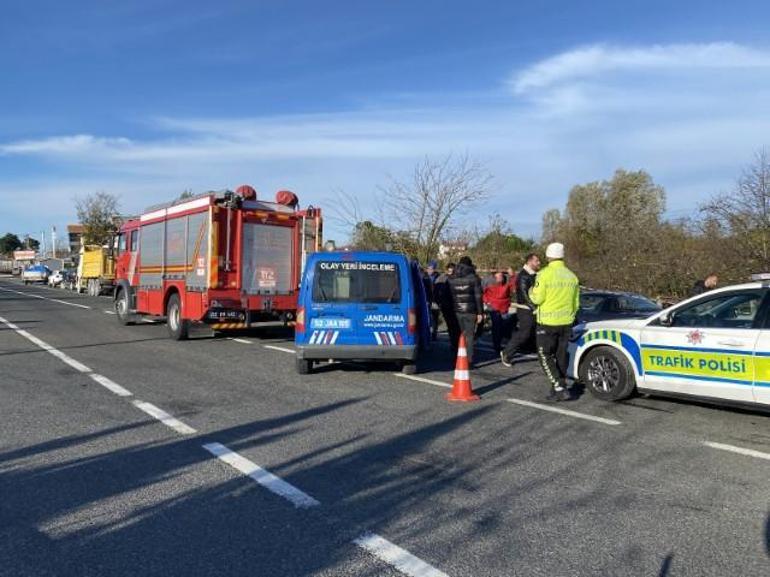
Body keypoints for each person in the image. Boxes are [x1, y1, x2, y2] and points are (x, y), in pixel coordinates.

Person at [529, 243, 579, 402]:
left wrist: (530, 290)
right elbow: (576, 303)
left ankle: (559, 385)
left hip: (547, 322)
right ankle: (557, 387)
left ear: (548, 256)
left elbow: (537, 298)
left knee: (544, 355)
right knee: (561, 355)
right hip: (566, 322)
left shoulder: (544, 274)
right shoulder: (572, 276)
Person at [501, 253, 541, 366]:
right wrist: (534, 308)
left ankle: (533, 350)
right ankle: (507, 353)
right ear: (529, 262)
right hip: (526, 309)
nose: (539, 263)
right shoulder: (524, 276)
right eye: (536, 261)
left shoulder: (534, 275)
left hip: (533, 308)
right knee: (524, 332)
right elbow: (525, 295)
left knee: (534, 332)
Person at [448, 256, 483, 364]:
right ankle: (468, 359)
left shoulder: (452, 278)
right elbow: (478, 296)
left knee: (459, 333)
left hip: (457, 310)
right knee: (469, 335)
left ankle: (458, 356)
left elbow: (451, 296)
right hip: (471, 310)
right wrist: (480, 312)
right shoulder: (474, 278)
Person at [483, 270, 513, 353]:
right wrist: (487, 302)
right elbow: (484, 293)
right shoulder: (490, 284)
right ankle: (497, 345)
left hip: (504, 306)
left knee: (504, 325)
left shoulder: (507, 283)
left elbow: (513, 287)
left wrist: (512, 275)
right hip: (494, 307)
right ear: (495, 278)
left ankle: (503, 341)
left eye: (502, 276)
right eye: (499, 276)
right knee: (496, 326)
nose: (501, 278)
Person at [434, 262, 458, 345]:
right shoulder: (441, 279)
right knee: (452, 325)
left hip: (453, 306)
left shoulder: (457, 279)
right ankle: (454, 342)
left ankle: (454, 342)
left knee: (454, 325)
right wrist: (439, 303)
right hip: (447, 305)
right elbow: (436, 292)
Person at [425, 261, 440, 340]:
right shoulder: (424, 277)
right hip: (426, 300)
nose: (430, 270)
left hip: (435, 300)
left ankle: (434, 333)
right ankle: (427, 333)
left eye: (431, 269)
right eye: (428, 268)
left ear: (434, 269)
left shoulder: (438, 277)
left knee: (434, 317)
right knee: (427, 317)